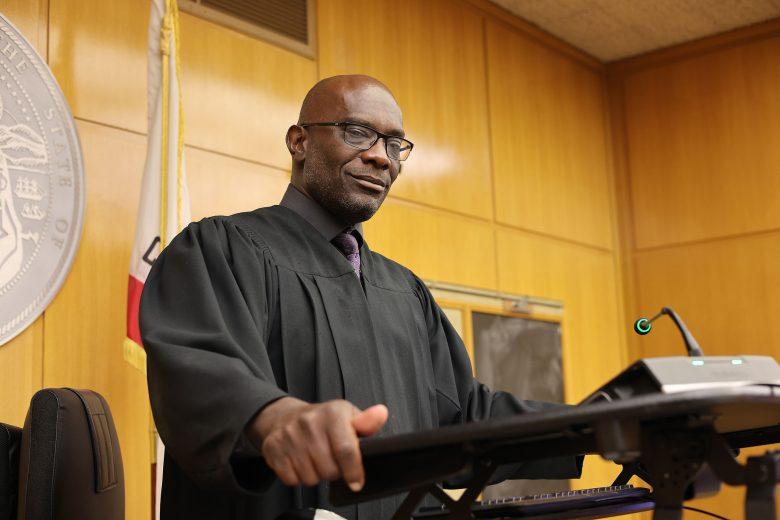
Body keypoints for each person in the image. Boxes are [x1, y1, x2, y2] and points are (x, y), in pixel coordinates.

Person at [140, 74, 581, 520]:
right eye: (357, 132)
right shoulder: (223, 250)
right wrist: (272, 417)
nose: (380, 157)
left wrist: (589, 428)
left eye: (394, 144)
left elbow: (464, 416)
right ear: (299, 142)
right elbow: (199, 372)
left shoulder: (404, 290)